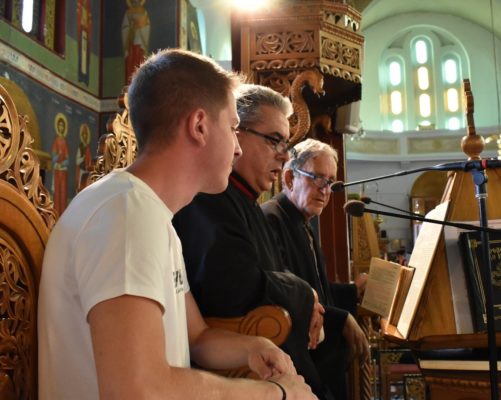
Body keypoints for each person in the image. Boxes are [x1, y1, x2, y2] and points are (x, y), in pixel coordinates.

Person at [38, 49, 315, 400]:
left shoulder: (153, 216)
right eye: (233, 129)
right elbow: (136, 391)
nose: (237, 149)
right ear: (199, 126)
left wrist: (253, 347)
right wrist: (274, 393)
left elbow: (197, 337)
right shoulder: (126, 215)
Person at [173, 84, 331, 399]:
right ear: (236, 134)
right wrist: (304, 292)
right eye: (274, 140)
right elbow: (237, 285)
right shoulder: (210, 198)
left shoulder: (246, 202)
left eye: (286, 144)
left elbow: (274, 271)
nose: (284, 155)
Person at [261, 139, 370, 400]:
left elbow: (314, 285)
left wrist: (352, 291)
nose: (325, 190)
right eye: (317, 178)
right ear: (290, 178)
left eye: (330, 182)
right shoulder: (271, 218)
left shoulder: (301, 221)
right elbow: (286, 292)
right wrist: (341, 318)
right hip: (295, 360)